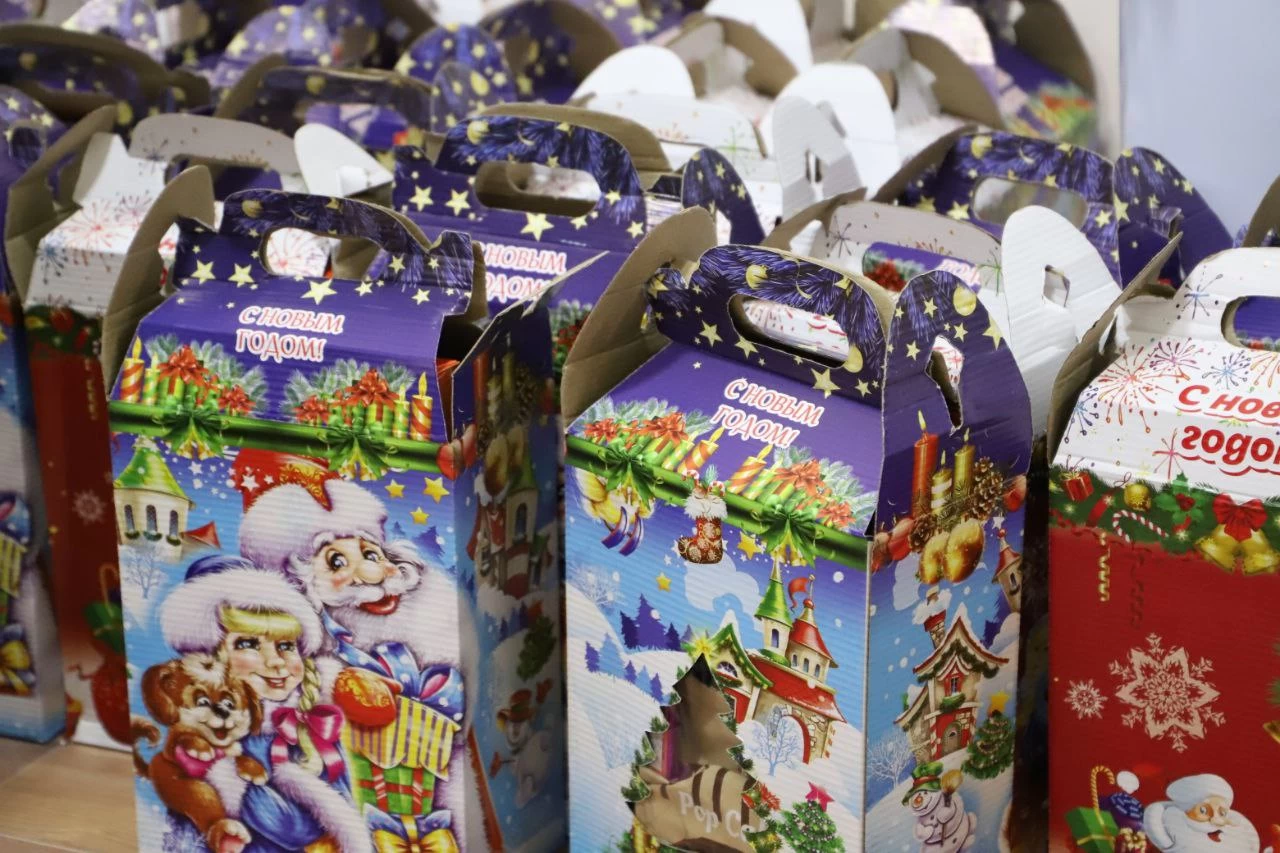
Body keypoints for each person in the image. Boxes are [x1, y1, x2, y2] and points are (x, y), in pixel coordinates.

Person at [160, 554, 371, 853]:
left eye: (286, 646)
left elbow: (339, 803)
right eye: (248, 644)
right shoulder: (213, 734)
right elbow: (290, 828)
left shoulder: (310, 724)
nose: (275, 662)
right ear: (211, 658)